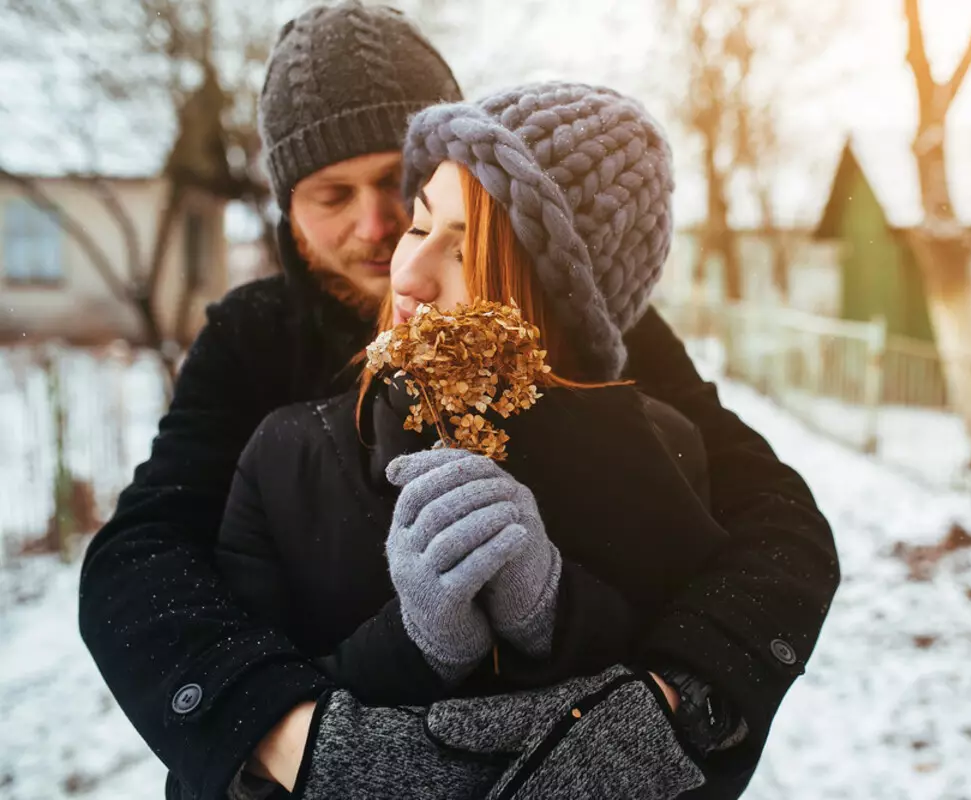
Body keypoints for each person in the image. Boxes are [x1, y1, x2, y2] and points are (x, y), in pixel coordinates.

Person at [76, 3, 839, 799]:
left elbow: (774, 523)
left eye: (391, 184)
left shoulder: (601, 332)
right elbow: (141, 560)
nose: (376, 228)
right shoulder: (254, 347)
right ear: (288, 211)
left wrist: (671, 706)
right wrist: (300, 740)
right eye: (333, 195)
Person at [217, 86, 730, 797]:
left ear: (555, 307)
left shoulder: (658, 459)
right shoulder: (287, 458)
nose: (410, 275)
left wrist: (553, 612)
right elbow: (225, 771)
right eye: (419, 227)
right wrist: (415, 644)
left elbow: (696, 746)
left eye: (467, 254)